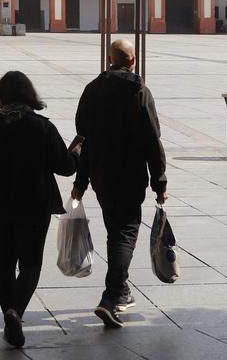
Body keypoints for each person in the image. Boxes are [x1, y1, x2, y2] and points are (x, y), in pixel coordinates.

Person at [0, 71, 80, 347]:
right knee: (31, 263)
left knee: (4, 261)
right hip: (33, 205)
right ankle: (15, 312)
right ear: (29, 96)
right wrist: (77, 152)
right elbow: (65, 167)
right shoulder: (41, 127)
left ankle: (9, 316)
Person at [71, 39, 168, 329]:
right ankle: (111, 296)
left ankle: (121, 289)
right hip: (130, 174)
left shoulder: (92, 90)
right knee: (125, 232)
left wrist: (81, 180)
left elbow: (83, 136)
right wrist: (159, 181)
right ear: (133, 60)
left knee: (116, 229)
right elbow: (153, 140)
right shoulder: (140, 92)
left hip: (102, 173)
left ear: (109, 59)